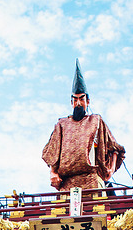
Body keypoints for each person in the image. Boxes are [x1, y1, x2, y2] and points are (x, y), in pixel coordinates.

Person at [42, 59, 125, 191]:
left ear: (88, 101)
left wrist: (112, 168)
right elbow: (52, 153)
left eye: (81, 99)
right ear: (71, 102)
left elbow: (115, 147)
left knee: (96, 210)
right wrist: (53, 173)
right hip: (67, 182)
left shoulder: (96, 121)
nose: (78, 103)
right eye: (75, 100)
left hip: (92, 179)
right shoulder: (61, 125)